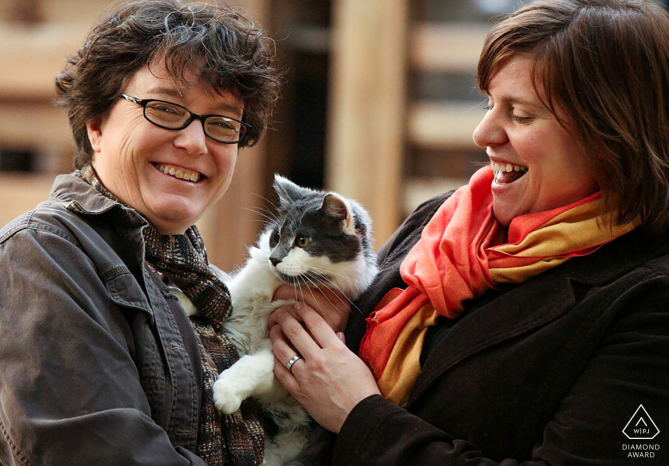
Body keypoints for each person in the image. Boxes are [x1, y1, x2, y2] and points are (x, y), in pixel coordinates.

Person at [269, 0, 669, 464]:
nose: (483, 133)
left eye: (520, 115)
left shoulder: (650, 301)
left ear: (612, 135)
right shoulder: (440, 219)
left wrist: (360, 415)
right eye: (489, 102)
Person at [0, 0, 281, 464]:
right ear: (96, 124)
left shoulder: (207, 288)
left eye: (221, 123)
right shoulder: (40, 257)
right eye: (165, 108)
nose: (195, 142)